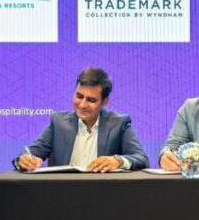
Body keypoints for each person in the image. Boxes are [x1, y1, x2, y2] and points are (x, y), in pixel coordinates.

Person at [13, 67, 148, 172]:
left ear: (104, 102)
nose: (82, 105)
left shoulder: (119, 124)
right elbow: (31, 153)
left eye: (91, 100)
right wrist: (24, 160)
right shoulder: (58, 122)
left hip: (104, 194)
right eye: (79, 96)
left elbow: (141, 158)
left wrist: (118, 161)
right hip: (61, 194)